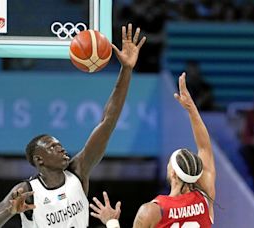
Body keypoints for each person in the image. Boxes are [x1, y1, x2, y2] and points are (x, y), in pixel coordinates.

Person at [0, 24, 146, 228]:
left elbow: (108, 121)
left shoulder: (78, 171)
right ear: (39, 159)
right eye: (52, 147)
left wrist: (126, 69)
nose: (61, 148)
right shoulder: (27, 190)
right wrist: (9, 211)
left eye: (59, 144)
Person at [90, 73, 215, 227]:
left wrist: (111, 221)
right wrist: (191, 109)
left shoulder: (152, 210)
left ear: (173, 173)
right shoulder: (205, 198)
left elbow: (204, 148)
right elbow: (204, 148)